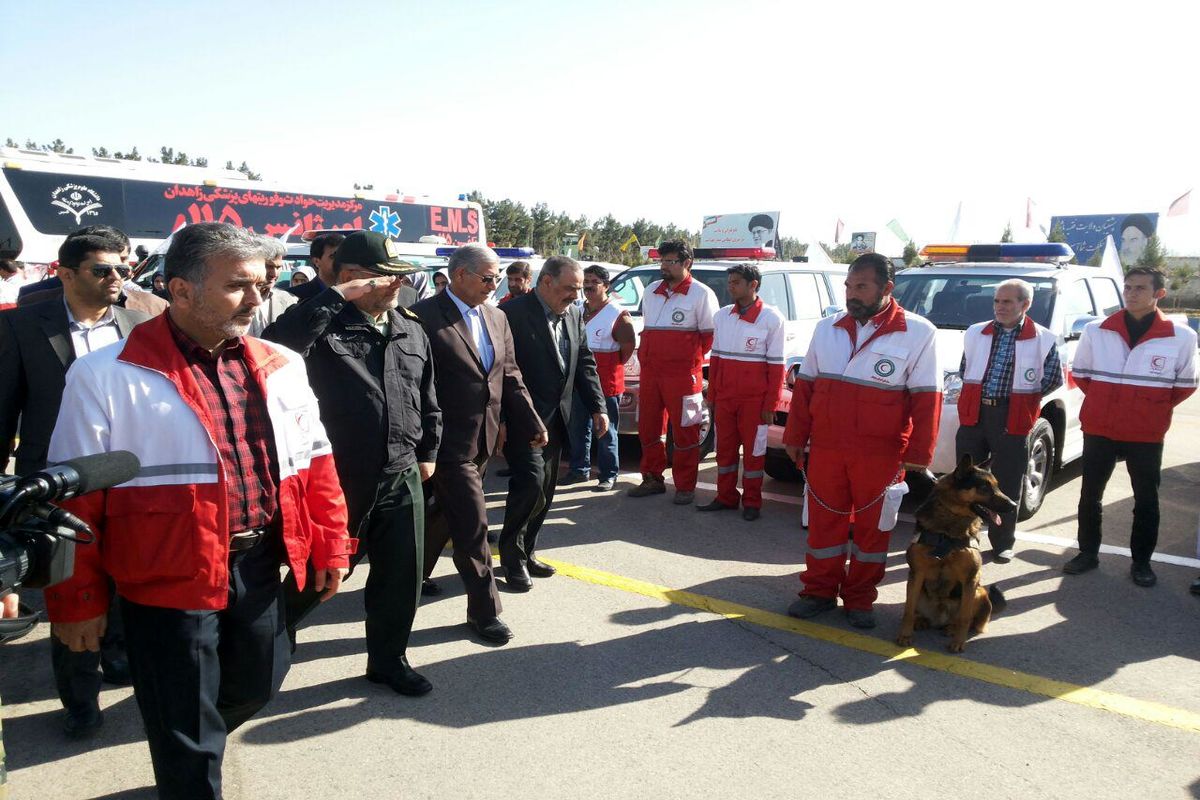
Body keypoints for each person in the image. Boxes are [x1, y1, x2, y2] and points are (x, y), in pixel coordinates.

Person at [43, 222, 353, 799]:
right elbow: (74, 503)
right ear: (180, 290)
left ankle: (192, 742)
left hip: (257, 566)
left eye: (263, 283)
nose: (259, 299)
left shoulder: (282, 363)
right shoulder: (104, 375)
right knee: (183, 725)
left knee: (258, 681)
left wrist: (331, 544)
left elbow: (316, 464)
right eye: (240, 285)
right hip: (163, 579)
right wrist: (77, 600)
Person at [264, 231, 440, 695]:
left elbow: (427, 397)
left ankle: (388, 660)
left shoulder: (408, 326)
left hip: (401, 473)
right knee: (321, 575)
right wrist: (331, 299)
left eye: (400, 276)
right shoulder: (319, 325)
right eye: (384, 277)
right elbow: (275, 351)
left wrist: (428, 452)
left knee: (401, 577)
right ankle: (264, 642)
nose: (396, 285)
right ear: (349, 279)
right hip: (341, 477)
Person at [0, 227, 150, 739]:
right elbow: (4, 411)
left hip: (127, 479)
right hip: (55, 486)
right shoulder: (23, 328)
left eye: (122, 269)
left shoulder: (140, 323)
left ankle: (120, 656)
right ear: (64, 272)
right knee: (70, 594)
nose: (116, 279)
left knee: (125, 582)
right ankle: (79, 699)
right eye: (102, 269)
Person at [783, 253, 941, 629]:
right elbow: (805, 388)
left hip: (881, 454)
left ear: (887, 289)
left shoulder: (919, 333)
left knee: (873, 530)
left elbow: (926, 398)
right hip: (826, 448)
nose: (852, 294)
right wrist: (795, 435)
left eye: (862, 287)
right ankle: (818, 591)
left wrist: (919, 454)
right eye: (849, 286)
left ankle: (859, 598)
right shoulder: (827, 328)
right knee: (823, 526)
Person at [411, 244, 545, 643]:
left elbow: (509, 375)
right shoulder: (423, 317)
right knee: (473, 525)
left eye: (498, 276)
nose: (495, 284)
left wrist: (531, 421)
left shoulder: (497, 316)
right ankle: (484, 612)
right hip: (444, 440)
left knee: (442, 513)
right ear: (460, 275)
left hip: (483, 437)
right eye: (488, 277)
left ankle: (412, 575)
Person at [1063, 266, 1197, 586]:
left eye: (1140, 288)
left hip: (1145, 432)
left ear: (1158, 294)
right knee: (1090, 494)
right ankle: (1087, 553)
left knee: (1146, 500)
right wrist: (1104, 402)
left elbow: (1185, 385)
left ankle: (1141, 563)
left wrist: (1149, 409)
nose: (1132, 293)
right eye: (1128, 287)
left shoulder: (1182, 336)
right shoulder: (1097, 330)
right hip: (1099, 427)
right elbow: (1081, 373)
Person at [498, 256, 606, 591]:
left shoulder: (574, 313)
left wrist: (597, 407)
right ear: (546, 282)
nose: (577, 295)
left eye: (579, 289)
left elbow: (584, 361)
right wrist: (501, 419)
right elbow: (499, 371)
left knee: (546, 490)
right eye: (570, 288)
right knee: (528, 485)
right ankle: (511, 559)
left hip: (559, 419)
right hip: (522, 418)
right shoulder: (512, 315)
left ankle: (528, 551)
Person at [955, 279, 1063, 563]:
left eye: (1008, 302)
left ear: (1025, 305)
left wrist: (1021, 402)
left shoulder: (1044, 338)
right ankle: (964, 538)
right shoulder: (976, 332)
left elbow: (1053, 379)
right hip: (974, 414)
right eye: (997, 301)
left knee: (1007, 482)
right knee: (964, 480)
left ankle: (1003, 542)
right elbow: (965, 369)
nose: (1000, 307)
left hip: (1011, 417)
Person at [628, 240, 719, 505]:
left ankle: (685, 485)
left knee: (686, 431)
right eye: (662, 261)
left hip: (683, 376)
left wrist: (686, 360)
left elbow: (709, 337)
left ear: (686, 263)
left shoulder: (701, 294)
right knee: (648, 428)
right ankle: (652, 478)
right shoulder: (651, 291)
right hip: (652, 373)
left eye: (670, 261)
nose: (664, 266)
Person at [698, 263, 786, 521]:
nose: (730, 286)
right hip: (725, 399)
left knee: (754, 453)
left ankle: (752, 502)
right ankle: (725, 497)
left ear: (753, 285)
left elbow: (777, 366)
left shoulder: (771, 319)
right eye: (730, 282)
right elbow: (716, 360)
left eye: (736, 282)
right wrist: (712, 396)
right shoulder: (723, 316)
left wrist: (771, 404)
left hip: (754, 403)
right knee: (724, 450)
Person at [561, 264, 635, 491]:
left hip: (606, 382)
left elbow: (627, 346)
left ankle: (608, 474)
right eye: (586, 282)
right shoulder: (577, 309)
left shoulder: (617, 314)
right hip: (578, 381)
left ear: (607, 285)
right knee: (578, 428)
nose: (589, 286)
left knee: (605, 429)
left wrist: (609, 366)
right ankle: (579, 470)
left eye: (595, 282)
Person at [19, 226, 168, 318]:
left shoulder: (155, 307)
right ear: (67, 274)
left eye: (123, 264)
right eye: (102, 269)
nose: (116, 274)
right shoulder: (32, 304)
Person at [247, 237, 298, 336]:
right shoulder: (234, 297)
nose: (274, 273)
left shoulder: (289, 301)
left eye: (278, 267)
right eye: (269, 266)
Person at [287, 231, 344, 301]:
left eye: (343, 255)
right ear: (316, 261)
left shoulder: (356, 294)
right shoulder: (294, 295)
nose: (340, 260)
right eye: (333, 256)